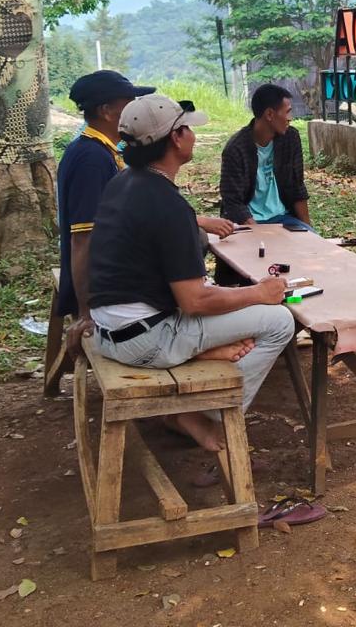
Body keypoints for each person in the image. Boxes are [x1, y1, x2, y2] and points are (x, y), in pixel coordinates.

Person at [88, 93, 294, 451]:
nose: (193, 136)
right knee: (280, 322)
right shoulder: (169, 205)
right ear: (175, 138)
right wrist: (259, 293)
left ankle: (198, 355)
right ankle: (208, 414)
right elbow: (194, 301)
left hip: (108, 331)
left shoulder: (123, 183)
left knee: (232, 305)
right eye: (187, 128)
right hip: (144, 339)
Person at [56, 71, 155, 331]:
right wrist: (86, 312)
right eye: (129, 105)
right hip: (102, 292)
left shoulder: (101, 151)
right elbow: (83, 239)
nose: (135, 112)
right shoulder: (91, 160)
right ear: (107, 112)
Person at [220, 83, 312, 231]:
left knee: (311, 241)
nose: (290, 118)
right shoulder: (236, 149)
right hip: (249, 222)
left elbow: (297, 187)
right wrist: (258, 233)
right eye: (287, 112)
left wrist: (309, 231)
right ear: (269, 114)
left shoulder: (290, 138)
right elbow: (232, 201)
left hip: (283, 218)